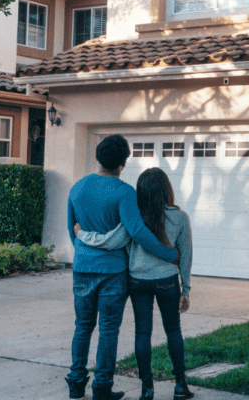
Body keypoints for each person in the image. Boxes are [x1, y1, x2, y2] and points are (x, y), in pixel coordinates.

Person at [66, 136, 179, 400]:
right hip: (112, 271)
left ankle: (75, 383)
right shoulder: (124, 192)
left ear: (98, 157)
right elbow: (138, 231)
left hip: (82, 267)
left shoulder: (77, 188)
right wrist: (168, 254)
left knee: (82, 326)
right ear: (122, 163)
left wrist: (84, 253)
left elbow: (72, 230)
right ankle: (102, 387)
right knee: (107, 329)